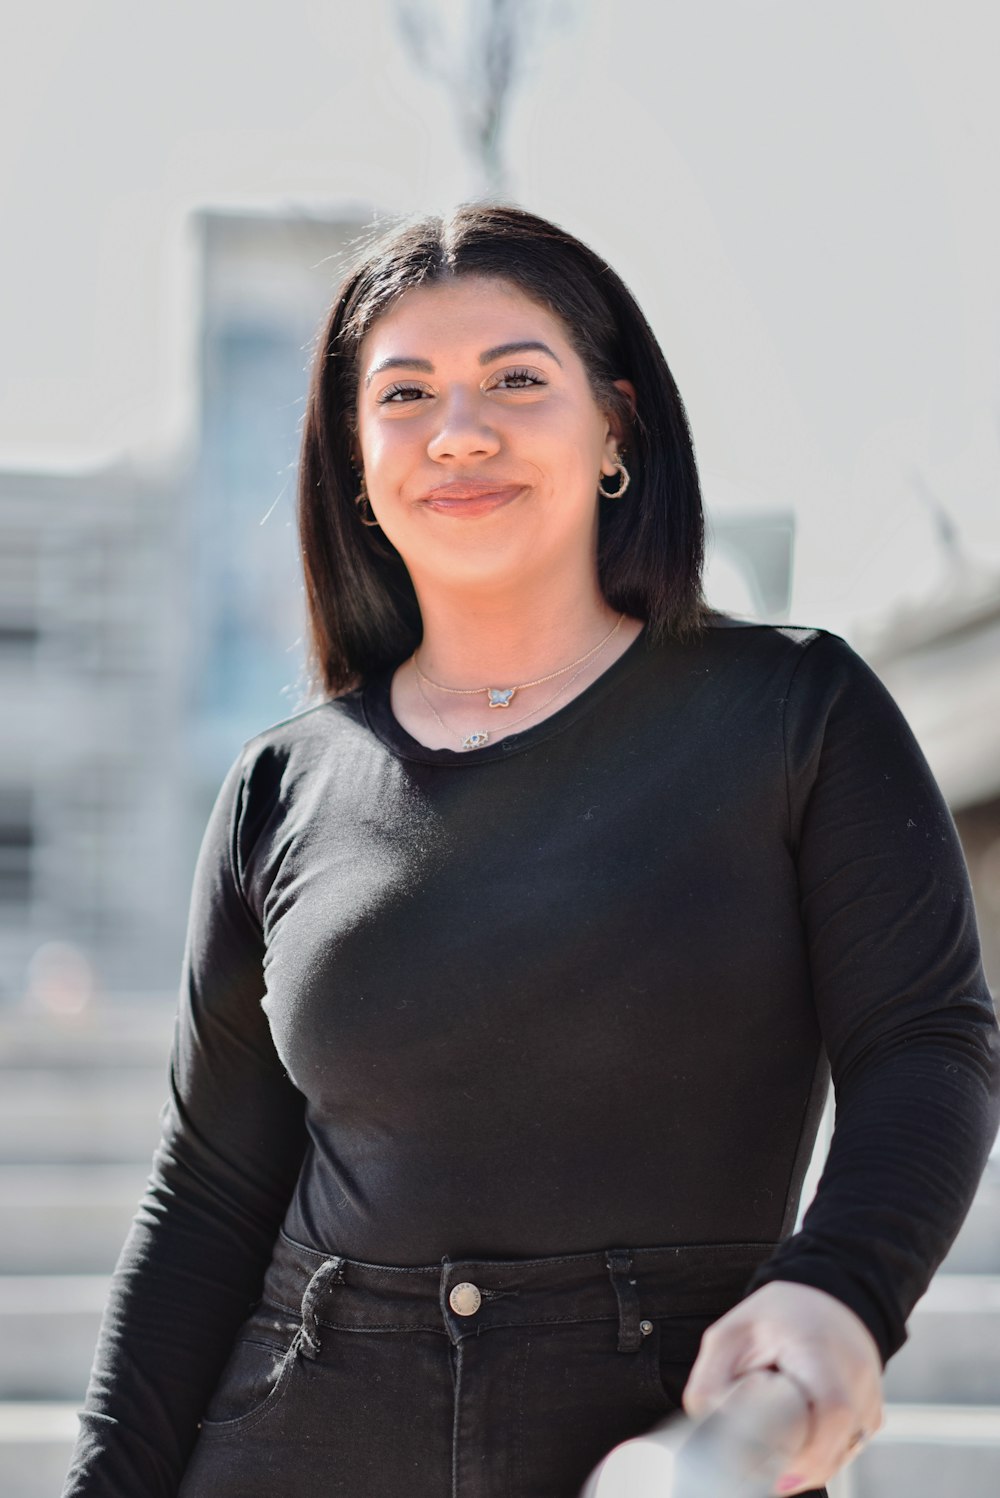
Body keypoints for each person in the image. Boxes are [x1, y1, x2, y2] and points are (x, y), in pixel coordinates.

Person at [62, 203, 1000, 1498]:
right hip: (294, 1440)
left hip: (665, 1438)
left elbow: (927, 1043)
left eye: (517, 378)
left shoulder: (799, 714)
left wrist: (841, 1287)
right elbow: (206, 1201)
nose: (460, 429)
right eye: (405, 393)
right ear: (353, 453)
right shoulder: (280, 786)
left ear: (615, 422)